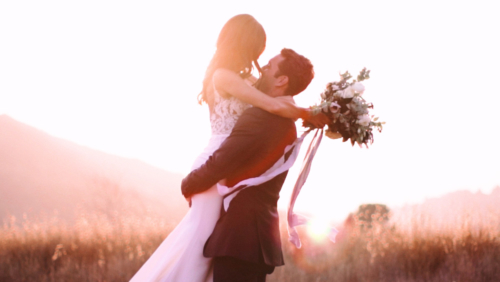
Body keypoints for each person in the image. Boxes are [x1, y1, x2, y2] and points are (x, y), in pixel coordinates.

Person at [130, 14, 326, 282]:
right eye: (257, 48)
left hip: (227, 166)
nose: (260, 57)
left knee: (207, 244)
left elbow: (278, 94)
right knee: (198, 244)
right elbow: (271, 105)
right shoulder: (224, 76)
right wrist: (312, 113)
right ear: (243, 44)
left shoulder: (247, 80)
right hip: (215, 161)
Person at [181, 48, 315, 282]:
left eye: (270, 66)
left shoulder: (261, 118)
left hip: (240, 238)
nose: (261, 69)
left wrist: (188, 184)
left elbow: (221, 162)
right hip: (258, 239)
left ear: (282, 80)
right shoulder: (287, 123)